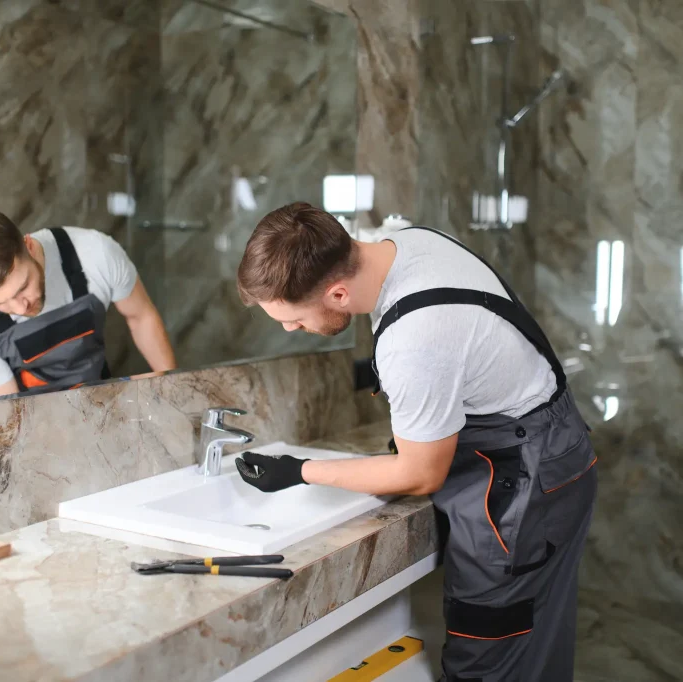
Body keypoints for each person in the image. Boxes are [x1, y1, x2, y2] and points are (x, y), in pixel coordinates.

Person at [234, 202, 597, 681]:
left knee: (490, 660)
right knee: (535, 648)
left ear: (338, 293)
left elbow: (420, 473)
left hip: (521, 485)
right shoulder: (405, 244)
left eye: (295, 319)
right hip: (554, 452)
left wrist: (299, 470)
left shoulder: (415, 337)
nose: (288, 329)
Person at [0, 208, 176, 398]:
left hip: (97, 402)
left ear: (28, 246)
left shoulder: (96, 254)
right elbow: (9, 417)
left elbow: (141, 317)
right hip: (29, 425)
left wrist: (171, 387)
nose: (21, 308)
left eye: (22, 287)